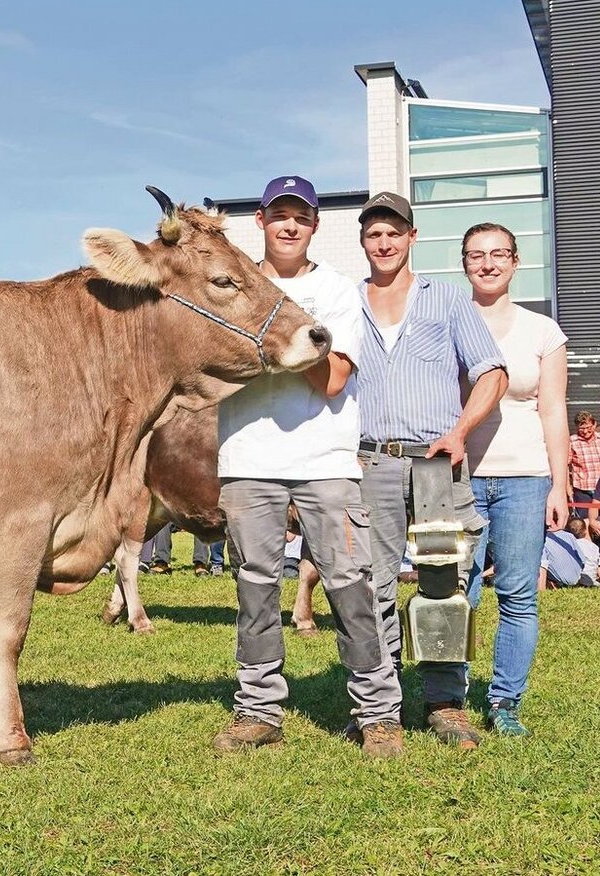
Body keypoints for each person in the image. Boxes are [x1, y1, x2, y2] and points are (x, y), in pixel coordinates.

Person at [211, 176, 402, 758]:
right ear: (261, 224)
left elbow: (332, 379)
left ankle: (377, 714)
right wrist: (291, 340)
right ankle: (259, 710)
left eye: (301, 217)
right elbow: (213, 364)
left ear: (315, 226)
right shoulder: (233, 287)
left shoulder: (338, 291)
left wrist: (269, 339)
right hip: (246, 458)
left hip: (326, 459)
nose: (289, 226)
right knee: (255, 587)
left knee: (350, 584)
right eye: (278, 216)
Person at [355, 192, 507, 750]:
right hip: (370, 461)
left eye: (395, 232)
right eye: (375, 233)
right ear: (364, 242)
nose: (385, 242)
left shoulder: (444, 300)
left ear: (412, 237)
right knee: (369, 586)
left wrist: (460, 432)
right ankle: (379, 710)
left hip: (438, 465)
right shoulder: (348, 305)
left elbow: (491, 372)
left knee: (444, 583)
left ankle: (445, 704)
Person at [461, 222, 568, 736]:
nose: (488, 263)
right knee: (457, 593)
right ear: (464, 263)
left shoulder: (542, 330)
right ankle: (449, 697)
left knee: (519, 594)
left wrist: (560, 483)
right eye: (477, 254)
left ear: (515, 261)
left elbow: (553, 409)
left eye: (498, 253)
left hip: (526, 478)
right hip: (460, 480)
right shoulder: (447, 322)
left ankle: (505, 702)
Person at [568, 412, 600, 519]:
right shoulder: (572, 441)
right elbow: (565, 466)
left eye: (588, 427)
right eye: (581, 428)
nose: (585, 431)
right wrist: (567, 488)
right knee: (586, 522)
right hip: (584, 490)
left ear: (594, 424)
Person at [565, 517, 600, 586]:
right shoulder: (594, 547)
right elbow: (598, 565)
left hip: (575, 581)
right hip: (591, 581)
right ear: (585, 531)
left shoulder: (570, 546)